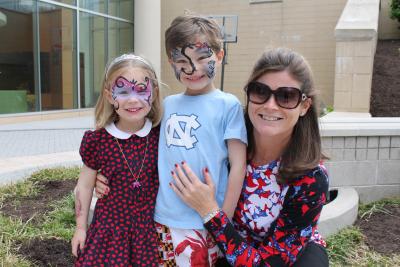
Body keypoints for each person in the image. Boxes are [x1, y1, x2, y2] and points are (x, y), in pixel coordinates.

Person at [96, 14, 248, 266]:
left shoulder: (228, 105)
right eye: (181, 60)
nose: (193, 69)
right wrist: (105, 175)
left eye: (202, 58)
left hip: (205, 221)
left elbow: (238, 166)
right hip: (160, 220)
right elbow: (138, 146)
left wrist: (224, 220)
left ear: (219, 56)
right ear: (171, 62)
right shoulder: (165, 106)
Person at [169, 47, 330, 266]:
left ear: (304, 106)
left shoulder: (312, 178)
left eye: (286, 96)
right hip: (229, 247)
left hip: (286, 256)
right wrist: (106, 175)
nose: (270, 105)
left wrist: (210, 212)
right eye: (260, 91)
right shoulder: (227, 143)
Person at [71, 53, 162, 266]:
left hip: (149, 235)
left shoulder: (161, 136)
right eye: (122, 91)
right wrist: (80, 228)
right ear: (110, 96)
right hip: (108, 234)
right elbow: (84, 186)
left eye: (142, 90)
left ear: (154, 93)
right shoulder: (98, 140)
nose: (133, 99)